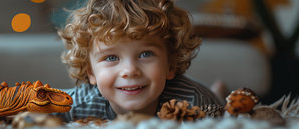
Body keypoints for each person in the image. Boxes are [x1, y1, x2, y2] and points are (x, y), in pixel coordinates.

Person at [53, 0, 223, 122]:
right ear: (91, 72)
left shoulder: (193, 102)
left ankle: (219, 91)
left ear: (170, 64)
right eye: (111, 57)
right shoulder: (82, 102)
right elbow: (37, 112)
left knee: (221, 100)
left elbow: (225, 119)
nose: (130, 70)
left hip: (209, 97)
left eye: (145, 54)